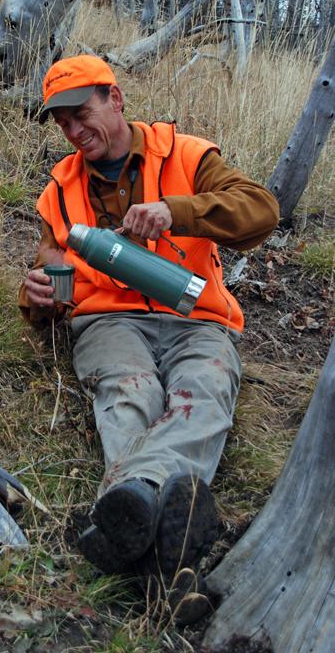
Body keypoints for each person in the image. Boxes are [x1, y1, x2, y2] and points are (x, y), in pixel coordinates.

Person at [19, 55, 279, 612]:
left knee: (202, 393)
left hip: (197, 321)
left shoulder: (186, 155)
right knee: (131, 391)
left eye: (80, 113)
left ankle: (128, 512)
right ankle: (166, 554)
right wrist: (36, 295)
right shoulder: (60, 189)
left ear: (115, 99)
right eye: (61, 123)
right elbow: (48, 268)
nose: (73, 131)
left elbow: (260, 212)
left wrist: (175, 211)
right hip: (108, 322)